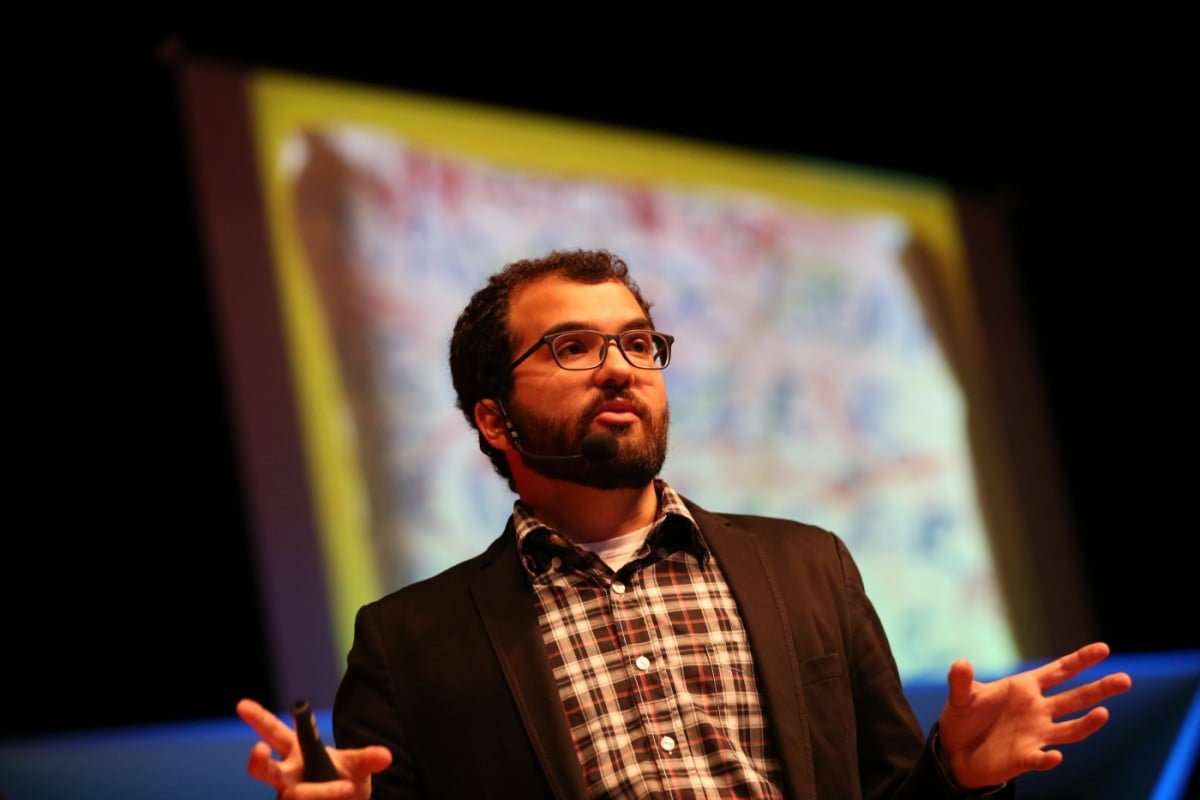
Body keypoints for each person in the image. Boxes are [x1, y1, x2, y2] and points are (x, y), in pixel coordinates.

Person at [238, 250, 1132, 799]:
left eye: (638, 343)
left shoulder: (806, 565)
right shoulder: (407, 640)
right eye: (573, 347)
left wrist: (958, 778)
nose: (621, 368)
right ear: (493, 419)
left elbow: (894, 795)